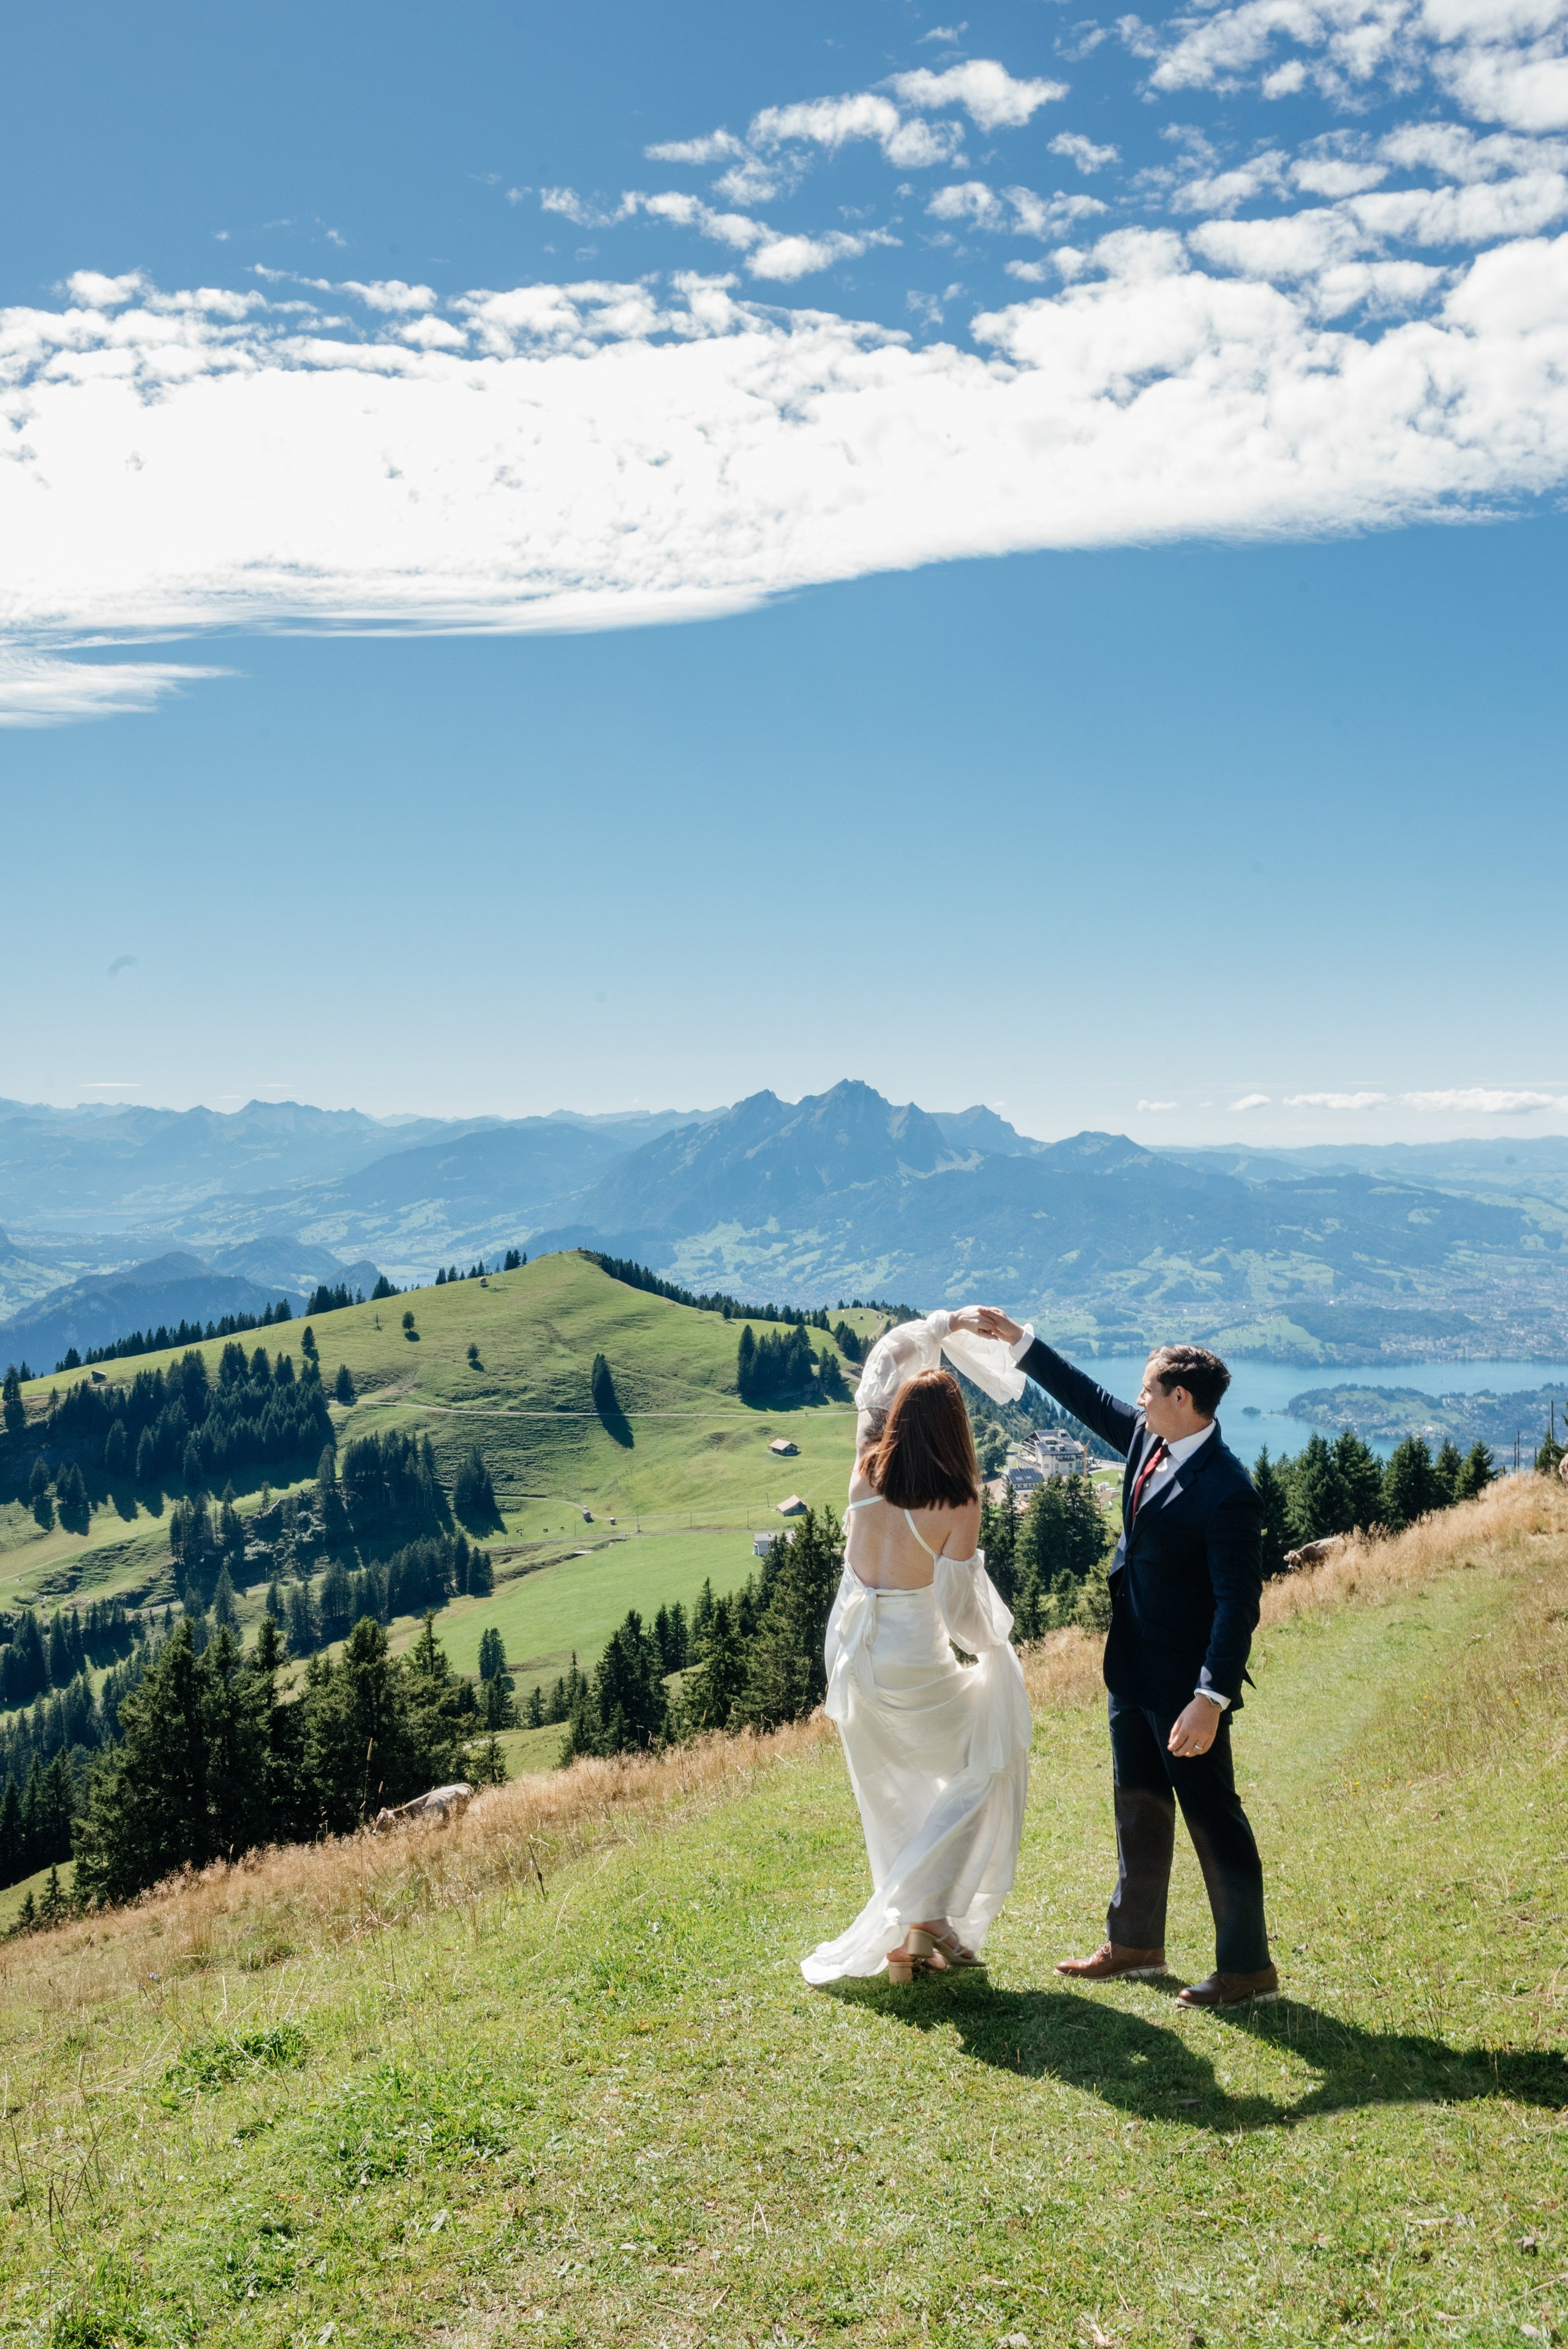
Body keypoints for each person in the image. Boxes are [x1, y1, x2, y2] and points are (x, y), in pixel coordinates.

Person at [957, 1311, 1276, 2009]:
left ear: (1181, 1400)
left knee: (1212, 1817)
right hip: (1128, 1668)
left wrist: (1211, 1698)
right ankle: (1134, 1945)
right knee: (1137, 1808)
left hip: (1185, 1688)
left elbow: (1237, 1607)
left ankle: (1247, 1969)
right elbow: (1086, 1397)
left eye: (1147, 1391)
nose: (1137, 1401)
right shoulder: (1147, 1440)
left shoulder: (1229, 1491)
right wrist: (1020, 1343)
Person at [801, 1314, 1033, 1988]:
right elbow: (961, 1615)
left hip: (849, 1649)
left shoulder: (865, 1464)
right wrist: (995, 1647)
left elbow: (879, 1369)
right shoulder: (957, 1501)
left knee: (894, 1790)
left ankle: (923, 1927)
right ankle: (921, 1925)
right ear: (957, 1432)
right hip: (908, 1654)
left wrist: (939, 1324)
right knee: (987, 1758)